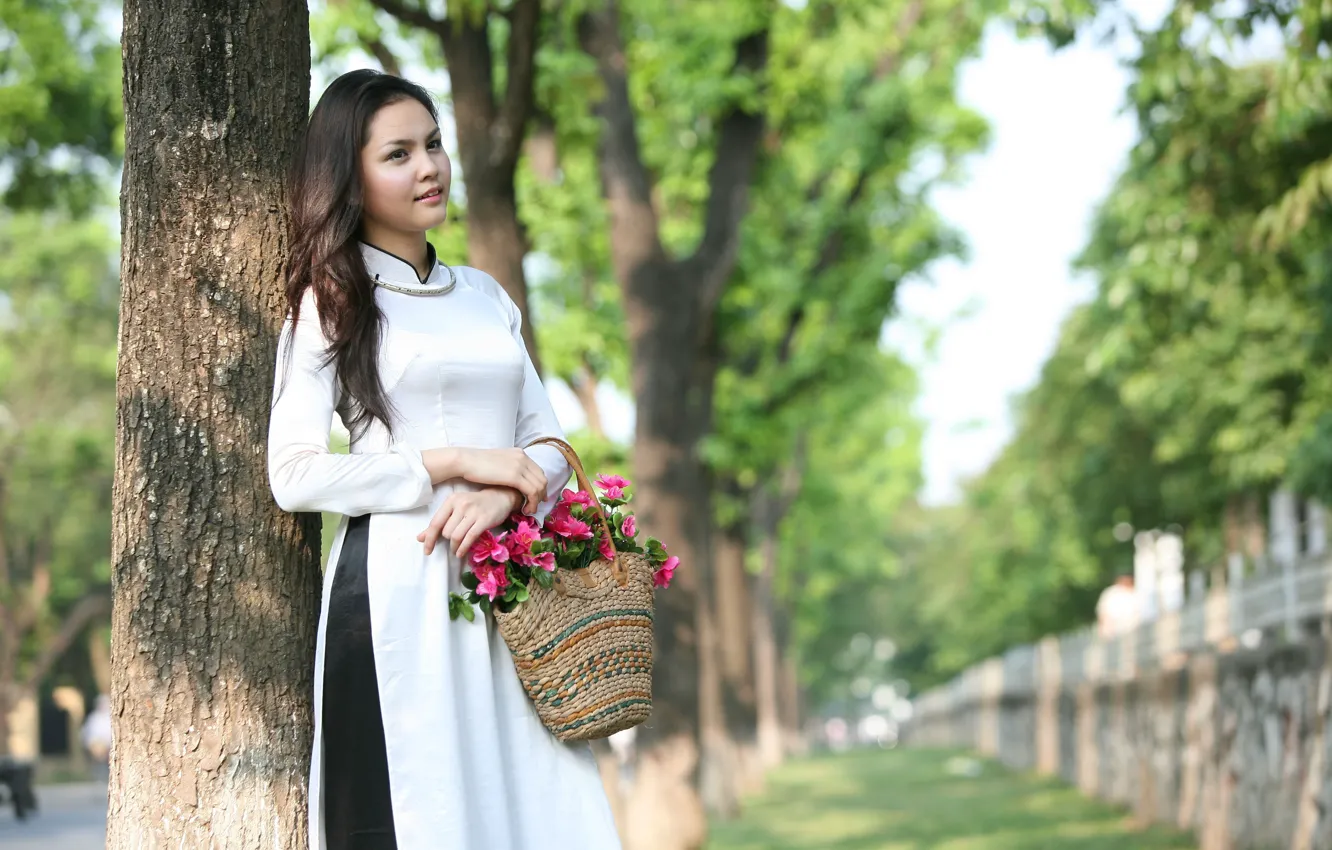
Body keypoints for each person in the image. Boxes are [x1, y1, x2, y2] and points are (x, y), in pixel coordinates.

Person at [268, 69, 621, 850]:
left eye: (433, 144)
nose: (428, 167)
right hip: (399, 589)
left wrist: (503, 494)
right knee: (422, 808)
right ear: (350, 177)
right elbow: (294, 474)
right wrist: (451, 461)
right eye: (398, 154)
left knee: (534, 801)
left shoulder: (486, 296)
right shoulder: (333, 296)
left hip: (513, 589)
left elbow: (551, 446)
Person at [1095, 573, 1138, 638]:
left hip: (1131, 631)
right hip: (1114, 631)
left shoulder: (1134, 593)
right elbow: (1103, 612)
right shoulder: (1112, 593)